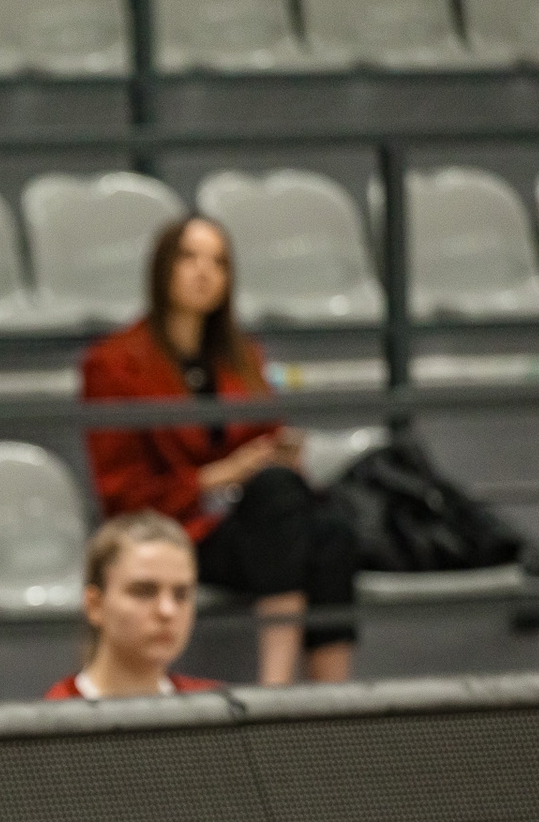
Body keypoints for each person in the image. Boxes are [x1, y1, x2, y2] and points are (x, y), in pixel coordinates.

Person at [81, 215, 358, 686]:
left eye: (218, 262)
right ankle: (275, 691)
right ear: (162, 268)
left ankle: (334, 703)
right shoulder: (113, 364)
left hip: (247, 522)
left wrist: (278, 454)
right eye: (189, 258)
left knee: (331, 533)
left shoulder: (243, 355)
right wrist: (223, 474)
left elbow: (265, 434)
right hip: (176, 528)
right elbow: (122, 493)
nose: (204, 272)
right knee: (281, 504)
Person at [45, 511, 221, 701]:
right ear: (95, 605)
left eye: (181, 595)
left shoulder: (217, 706)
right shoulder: (56, 713)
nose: (167, 610)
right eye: (143, 592)